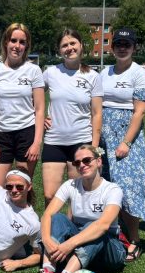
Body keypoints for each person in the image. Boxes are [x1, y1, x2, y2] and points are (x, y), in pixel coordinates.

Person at [27, 144, 125, 273]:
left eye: (87, 160)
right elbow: (47, 215)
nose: (82, 165)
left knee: (94, 227)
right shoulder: (71, 185)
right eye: (77, 163)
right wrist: (47, 240)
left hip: (110, 251)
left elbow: (103, 225)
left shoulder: (112, 190)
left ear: (99, 161)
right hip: (81, 250)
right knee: (57, 218)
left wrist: (69, 244)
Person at [100, 28, 145, 261]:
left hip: (127, 137)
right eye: (118, 44)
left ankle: (135, 239)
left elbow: (139, 113)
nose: (122, 48)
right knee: (106, 186)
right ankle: (115, 233)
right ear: (112, 47)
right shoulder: (104, 72)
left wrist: (126, 142)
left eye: (126, 44)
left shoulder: (139, 74)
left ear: (134, 47)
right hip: (104, 136)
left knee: (128, 189)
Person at [42, 28, 103, 204]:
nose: (69, 48)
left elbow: (97, 113)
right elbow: (32, 98)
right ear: (59, 50)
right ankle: (50, 224)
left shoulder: (93, 76)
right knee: (50, 196)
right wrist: (38, 117)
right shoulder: (50, 73)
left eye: (73, 43)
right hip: (54, 141)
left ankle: (73, 224)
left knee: (77, 198)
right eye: (64, 45)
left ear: (81, 45)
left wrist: (94, 148)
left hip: (81, 142)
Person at [0, 23, 45, 185]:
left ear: (27, 46)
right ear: (6, 42)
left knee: (21, 188)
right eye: (13, 40)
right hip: (1, 135)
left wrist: (36, 143)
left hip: (26, 134)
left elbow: (39, 109)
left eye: (22, 42)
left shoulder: (34, 70)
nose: (17, 46)